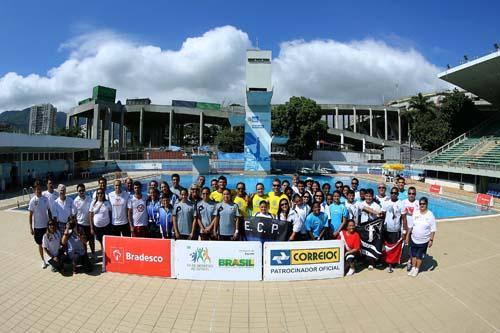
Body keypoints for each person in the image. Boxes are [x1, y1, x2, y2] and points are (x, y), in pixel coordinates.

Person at [406, 197, 436, 277]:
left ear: (426, 204)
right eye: (420, 204)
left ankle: (417, 269)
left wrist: (431, 240)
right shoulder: (416, 213)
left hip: (424, 240)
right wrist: (407, 236)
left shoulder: (430, 215)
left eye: (423, 204)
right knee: (413, 255)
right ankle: (413, 267)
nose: (422, 205)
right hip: (413, 239)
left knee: (419, 256)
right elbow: (411, 226)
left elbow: (433, 229)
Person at [29, 181, 52, 269]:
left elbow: (49, 210)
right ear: (34, 190)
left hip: (46, 226)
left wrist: (50, 222)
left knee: (48, 243)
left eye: (40, 189)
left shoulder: (45, 199)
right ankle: (43, 261)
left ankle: (49, 258)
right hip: (37, 227)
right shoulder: (32, 201)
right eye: (37, 189)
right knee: (40, 244)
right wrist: (31, 228)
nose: (39, 191)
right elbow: (30, 215)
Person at [381, 187, 404, 273]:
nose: (393, 194)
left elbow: (404, 219)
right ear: (390, 193)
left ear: (398, 194)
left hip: (396, 230)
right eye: (392, 193)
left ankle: (391, 263)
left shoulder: (401, 204)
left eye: (395, 193)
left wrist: (404, 231)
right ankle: (387, 262)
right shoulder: (386, 203)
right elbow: (382, 215)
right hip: (387, 229)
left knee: (394, 248)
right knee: (386, 246)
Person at [72, 184, 95, 259]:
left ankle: (93, 253)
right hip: (81, 225)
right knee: (84, 242)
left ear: (85, 190)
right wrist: (75, 228)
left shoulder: (89, 199)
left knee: (92, 241)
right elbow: (74, 215)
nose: (81, 192)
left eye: (83, 190)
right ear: (77, 192)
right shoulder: (75, 201)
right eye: (80, 191)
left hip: (89, 224)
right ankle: (86, 255)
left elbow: (92, 211)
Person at [401, 186, 419, 270]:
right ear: (407, 194)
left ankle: (409, 260)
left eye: (413, 193)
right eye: (410, 193)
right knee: (403, 243)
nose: (411, 195)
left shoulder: (418, 203)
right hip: (405, 226)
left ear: (415, 194)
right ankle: (398, 259)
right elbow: (402, 216)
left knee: (412, 246)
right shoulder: (403, 202)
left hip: (415, 228)